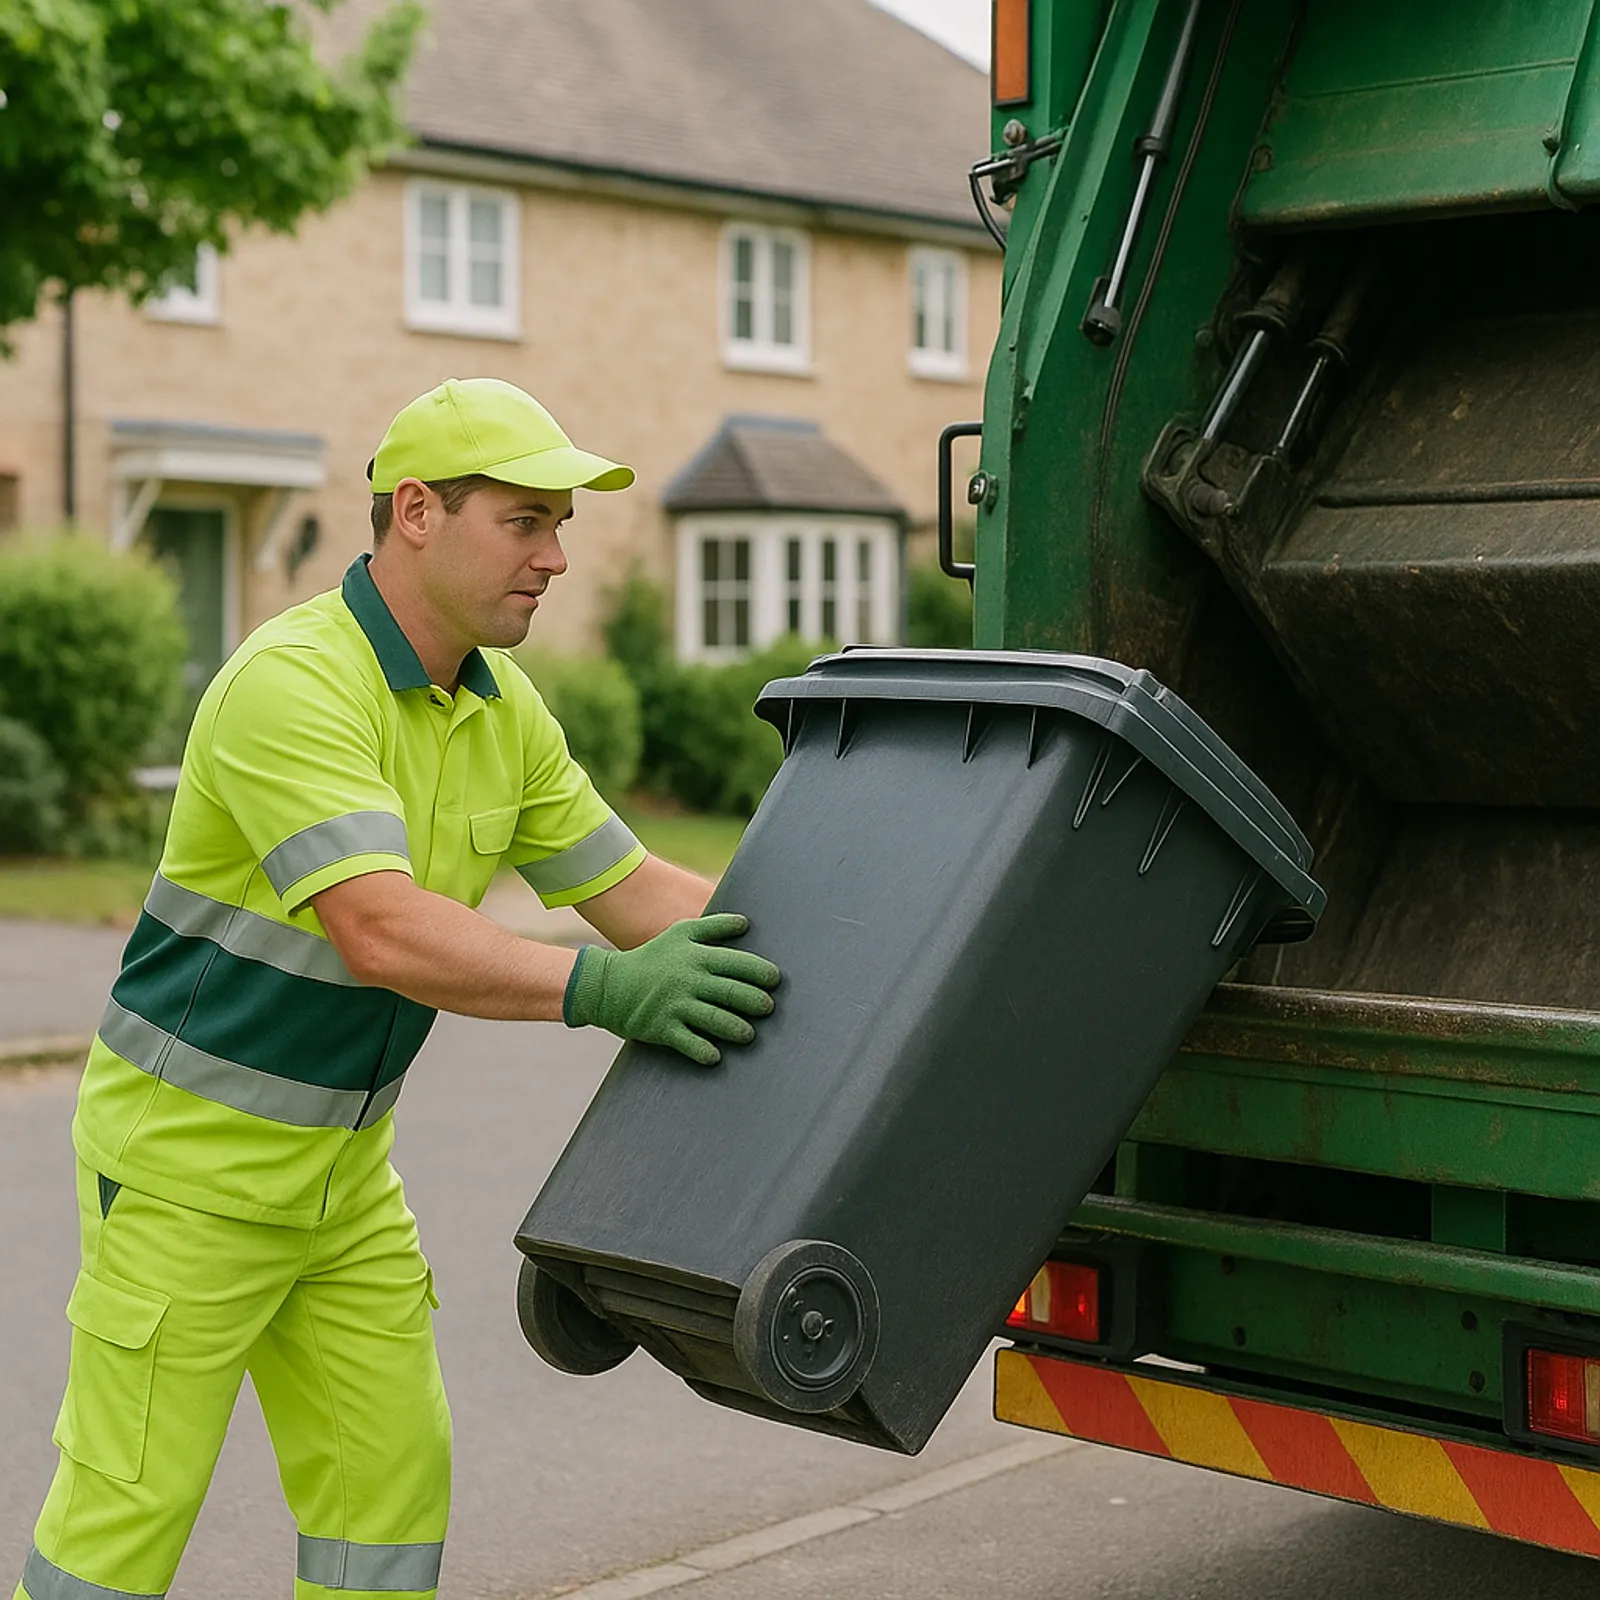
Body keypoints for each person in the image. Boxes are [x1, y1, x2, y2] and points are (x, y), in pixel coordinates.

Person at [14, 377, 782, 1600]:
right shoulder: (294, 684)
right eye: (525, 520)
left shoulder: (495, 703)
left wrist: (848, 953)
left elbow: (635, 890)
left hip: (342, 1181)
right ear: (416, 511)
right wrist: (601, 991)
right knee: (127, 1507)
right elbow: (378, 927)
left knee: (389, 1493)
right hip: (185, 1177)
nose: (557, 556)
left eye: (559, 524)